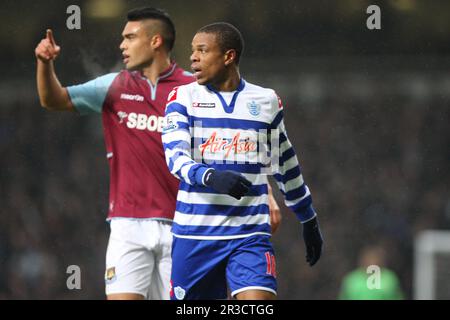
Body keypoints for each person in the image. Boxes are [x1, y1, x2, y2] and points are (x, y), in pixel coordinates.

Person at [35, 7, 281, 300]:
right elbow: (53, 99)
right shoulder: (114, 86)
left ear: (155, 41)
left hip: (188, 226)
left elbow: (239, 136)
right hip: (128, 224)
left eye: (129, 37)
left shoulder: (195, 88)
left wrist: (265, 191)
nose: (122, 45)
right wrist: (44, 64)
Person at [162, 22, 323, 300]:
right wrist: (210, 176)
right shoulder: (182, 97)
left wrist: (308, 217)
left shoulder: (265, 100)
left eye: (202, 50)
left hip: (249, 235)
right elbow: (174, 156)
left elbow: (284, 162)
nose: (193, 58)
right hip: (195, 236)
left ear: (228, 56)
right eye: (192, 51)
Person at [339, 245, 404, 300]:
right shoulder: (352, 280)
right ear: (362, 261)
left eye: (374, 259)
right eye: (369, 259)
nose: (372, 262)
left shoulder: (390, 279)